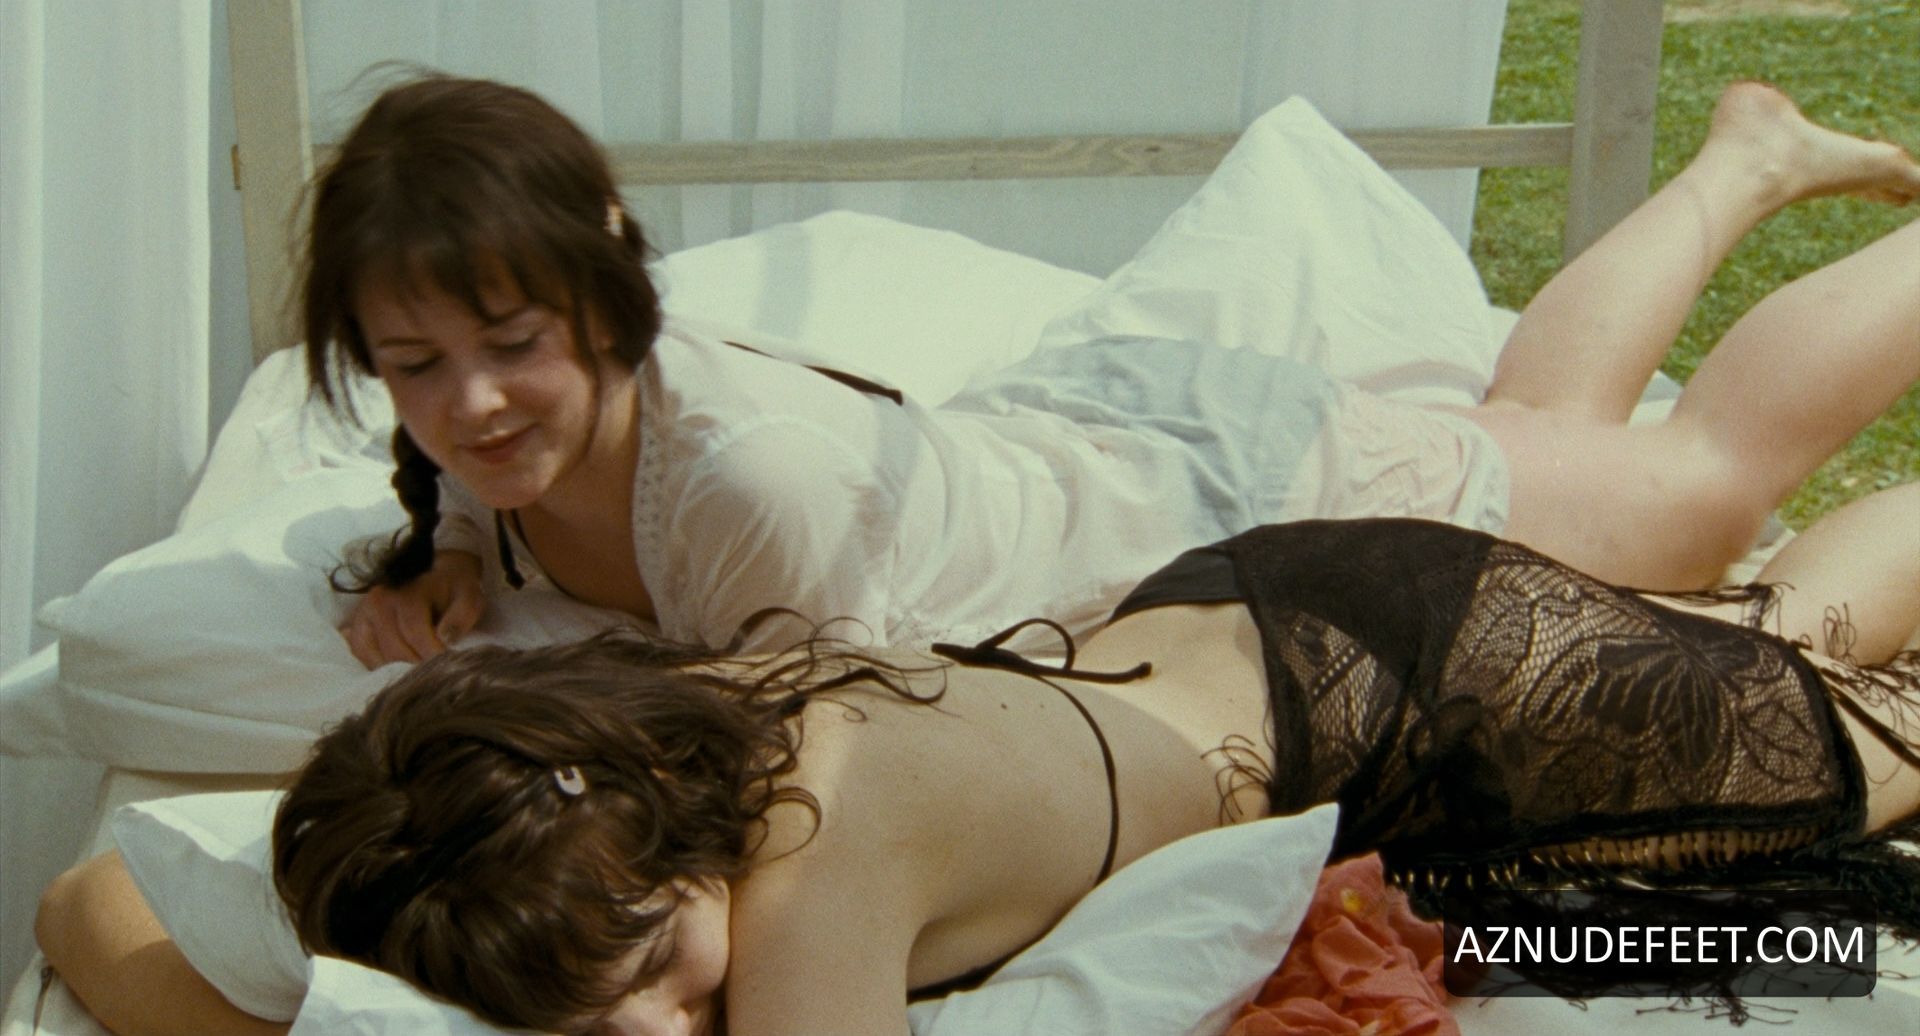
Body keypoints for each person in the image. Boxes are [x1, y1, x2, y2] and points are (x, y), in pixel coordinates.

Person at [36, 480, 1920, 1036]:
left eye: (659, 971)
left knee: (1866, 742)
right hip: (1250, 609)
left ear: (671, 852)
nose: (659, 1034)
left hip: (1419, 694)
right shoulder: (662, 748)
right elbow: (87, 899)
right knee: (1783, 644)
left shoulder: (818, 862)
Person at [314, 74, 1920, 667]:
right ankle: (1746, 159)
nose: (471, 404)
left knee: (1702, 496)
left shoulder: (747, 480)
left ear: (610, 280)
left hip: (1236, 497)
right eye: (414, 363)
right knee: (1530, 437)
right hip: (1106, 450)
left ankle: (1750, 168)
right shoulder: (492, 439)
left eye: (515, 345)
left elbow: (826, 766)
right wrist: (448, 555)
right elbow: (468, 459)